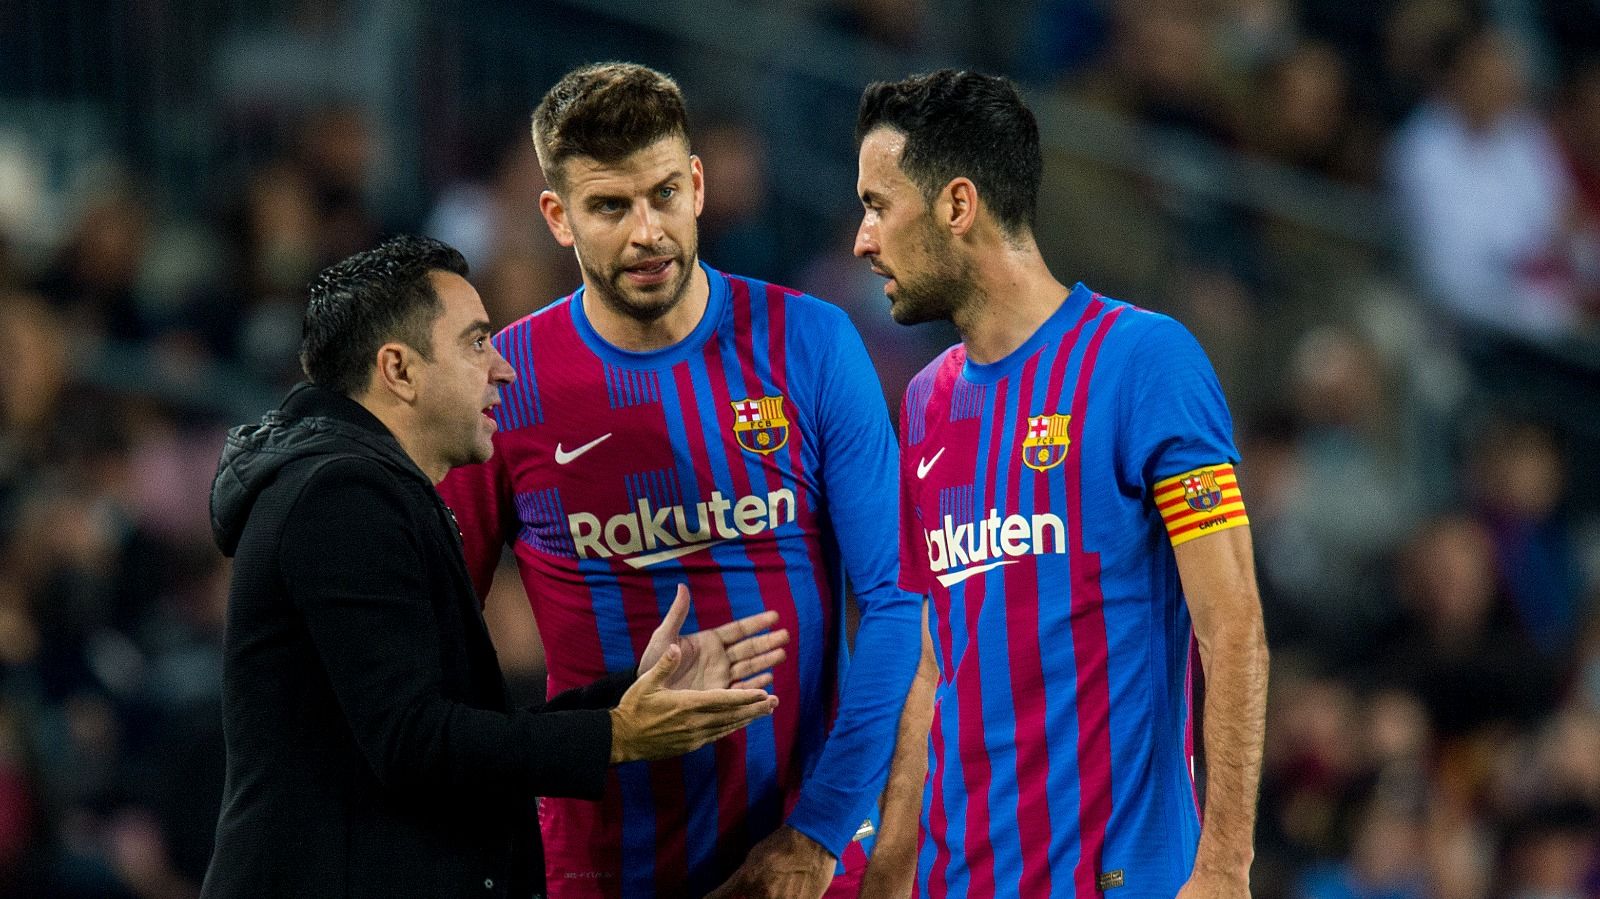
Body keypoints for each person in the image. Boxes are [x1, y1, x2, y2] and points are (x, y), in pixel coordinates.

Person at [436, 64, 923, 898]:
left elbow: (896, 602)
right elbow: (435, 632)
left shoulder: (810, 344)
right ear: (558, 216)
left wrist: (820, 830)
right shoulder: (504, 381)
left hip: (801, 857)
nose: (647, 231)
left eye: (664, 193)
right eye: (610, 206)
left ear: (697, 183)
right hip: (595, 864)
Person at [203, 235, 785, 898]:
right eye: (477, 342)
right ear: (399, 370)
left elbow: (447, 725)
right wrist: (615, 735)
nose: (503, 369)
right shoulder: (342, 498)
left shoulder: (369, 489)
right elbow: (412, 742)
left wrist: (626, 694)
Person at [851, 71, 1269, 897]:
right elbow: (930, 661)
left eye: (877, 203)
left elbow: (1233, 627)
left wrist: (1223, 867)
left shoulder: (1145, 361)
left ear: (957, 205)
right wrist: (890, 872)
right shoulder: (927, 401)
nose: (863, 239)